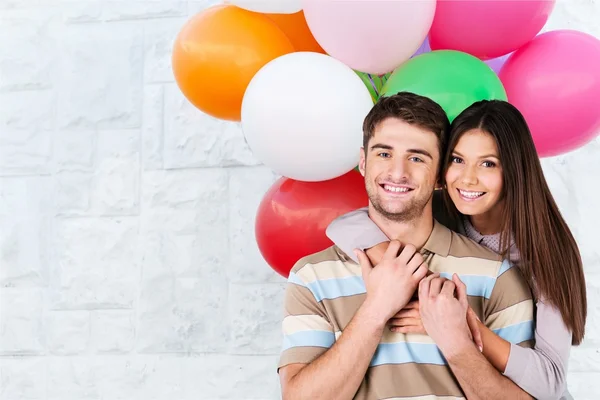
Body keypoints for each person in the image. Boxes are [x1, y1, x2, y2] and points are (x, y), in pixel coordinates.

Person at [277, 92, 536, 400]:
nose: (397, 172)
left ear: (440, 175)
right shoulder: (312, 276)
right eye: (384, 154)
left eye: (416, 158)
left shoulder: (496, 276)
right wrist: (376, 309)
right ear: (363, 162)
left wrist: (456, 341)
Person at [326, 99, 587, 400]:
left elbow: (551, 382)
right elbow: (344, 225)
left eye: (488, 163)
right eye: (457, 160)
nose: (467, 178)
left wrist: (460, 325)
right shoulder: (442, 211)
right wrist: (397, 268)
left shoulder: (546, 250)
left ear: (515, 170)